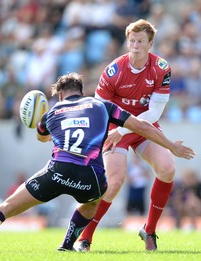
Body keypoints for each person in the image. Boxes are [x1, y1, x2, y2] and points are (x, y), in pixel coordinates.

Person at [0, 72, 195, 253]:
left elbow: (41, 137)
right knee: (93, 202)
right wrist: (171, 146)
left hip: (56, 172)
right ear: (81, 92)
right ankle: (67, 245)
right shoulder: (102, 105)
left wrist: (43, 120)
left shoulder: (51, 112)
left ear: (60, 94)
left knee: (7, 207)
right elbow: (141, 126)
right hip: (91, 178)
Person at [77, 19, 182, 252]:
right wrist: (110, 133)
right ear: (127, 43)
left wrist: (127, 128)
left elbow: (155, 111)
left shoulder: (161, 68)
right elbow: (99, 108)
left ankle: (150, 230)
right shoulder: (113, 70)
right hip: (116, 128)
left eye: (141, 41)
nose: (135, 45)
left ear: (150, 44)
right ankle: (86, 236)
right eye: (132, 41)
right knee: (114, 182)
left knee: (168, 168)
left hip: (141, 127)